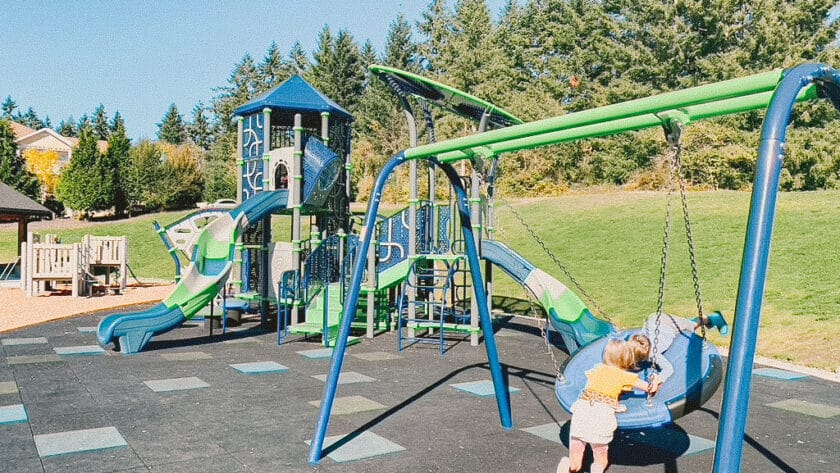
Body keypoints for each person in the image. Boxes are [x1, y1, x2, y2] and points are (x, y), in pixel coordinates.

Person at [557, 339, 661, 473]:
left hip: (582, 410)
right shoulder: (625, 376)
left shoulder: (596, 370)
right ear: (626, 359)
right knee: (601, 455)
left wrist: (614, 403)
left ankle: (570, 466)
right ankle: (597, 469)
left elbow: (599, 391)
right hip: (601, 416)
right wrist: (656, 381)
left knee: (576, 453)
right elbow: (649, 389)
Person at [641, 311, 727, 383]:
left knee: (692, 325)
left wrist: (658, 380)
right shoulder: (636, 342)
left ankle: (715, 318)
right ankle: (693, 321)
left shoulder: (652, 353)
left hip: (666, 323)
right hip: (654, 322)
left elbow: (668, 369)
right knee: (686, 324)